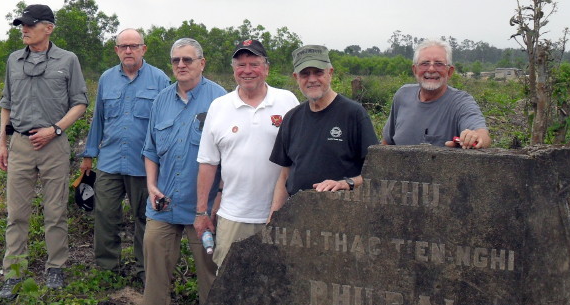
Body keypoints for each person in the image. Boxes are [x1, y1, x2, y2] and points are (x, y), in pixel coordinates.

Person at [0, 4, 88, 299]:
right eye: (22, 25)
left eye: (30, 25)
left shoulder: (68, 60)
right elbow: (6, 103)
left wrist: (55, 129)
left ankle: (55, 268)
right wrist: (3, 143)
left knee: (55, 211)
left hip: (54, 145)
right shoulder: (13, 60)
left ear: (48, 28)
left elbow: (80, 103)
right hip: (21, 145)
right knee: (16, 213)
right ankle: (13, 273)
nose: (24, 29)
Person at [140, 37, 226, 305]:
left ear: (202, 63)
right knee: (154, 254)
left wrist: (216, 203)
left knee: (208, 266)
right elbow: (150, 149)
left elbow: (228, 157)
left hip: (202, 207)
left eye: (187, 60)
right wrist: (151, 186)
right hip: (164, 203)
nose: (181, 65)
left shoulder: (220, 100)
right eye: (176, 60)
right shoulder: (161, 100)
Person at [195, 39, 299, 269]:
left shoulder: (287, 101)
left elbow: (297, 157)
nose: (247, 71)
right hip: (233, 216)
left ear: (266, 68)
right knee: (230, 282)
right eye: (241, 65)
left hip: (279, 215)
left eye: (254, 63)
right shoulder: (219, 107)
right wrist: (202, 211)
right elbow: (207, 163)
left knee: (278, 281)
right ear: (233, 70)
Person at [80, 29, 169, 282]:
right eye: (123, 46)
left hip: (144, 165)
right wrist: (89, 155)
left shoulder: (160, 79)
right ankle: (107, 268)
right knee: (105, 214)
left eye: (133, 46)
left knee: (146, 218)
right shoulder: (107, 78)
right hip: (109, 161)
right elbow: (98, 118)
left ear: (144, 49)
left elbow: (166, 122)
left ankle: (145, 270)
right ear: (116, 50)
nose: (128, 51)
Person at [269, 45, 378, 214]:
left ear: (330, 73)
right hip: (297, 216)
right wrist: (273, 219)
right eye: (305, 74)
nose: (312, 79)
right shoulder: (292, 118)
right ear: (296, 77)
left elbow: (375, 174)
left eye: (318, 72)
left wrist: (345, 183)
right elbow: (284, 176)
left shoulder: (354, 114)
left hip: (342, 217)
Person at [382, 39, 492, 149]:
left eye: (439, 64)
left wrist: (475, 137)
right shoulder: (403, 95)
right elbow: (387, 142)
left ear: (450, 71)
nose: (431, 69)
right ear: (415, 70)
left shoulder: (461, 102)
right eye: (424, 63)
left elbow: (482, 134)